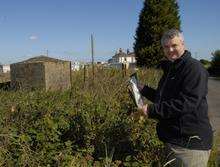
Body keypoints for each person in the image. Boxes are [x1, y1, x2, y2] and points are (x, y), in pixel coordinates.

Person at [138, 29, 213, 167]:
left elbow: (187, 102)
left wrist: (151, 110)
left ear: (183, 44)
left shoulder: (194, 69)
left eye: (174, 45)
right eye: (166, 47)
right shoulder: (172, 68)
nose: (170, 50)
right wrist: (143, 89)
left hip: (190, 145)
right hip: (174, 141)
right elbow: (165, 99)